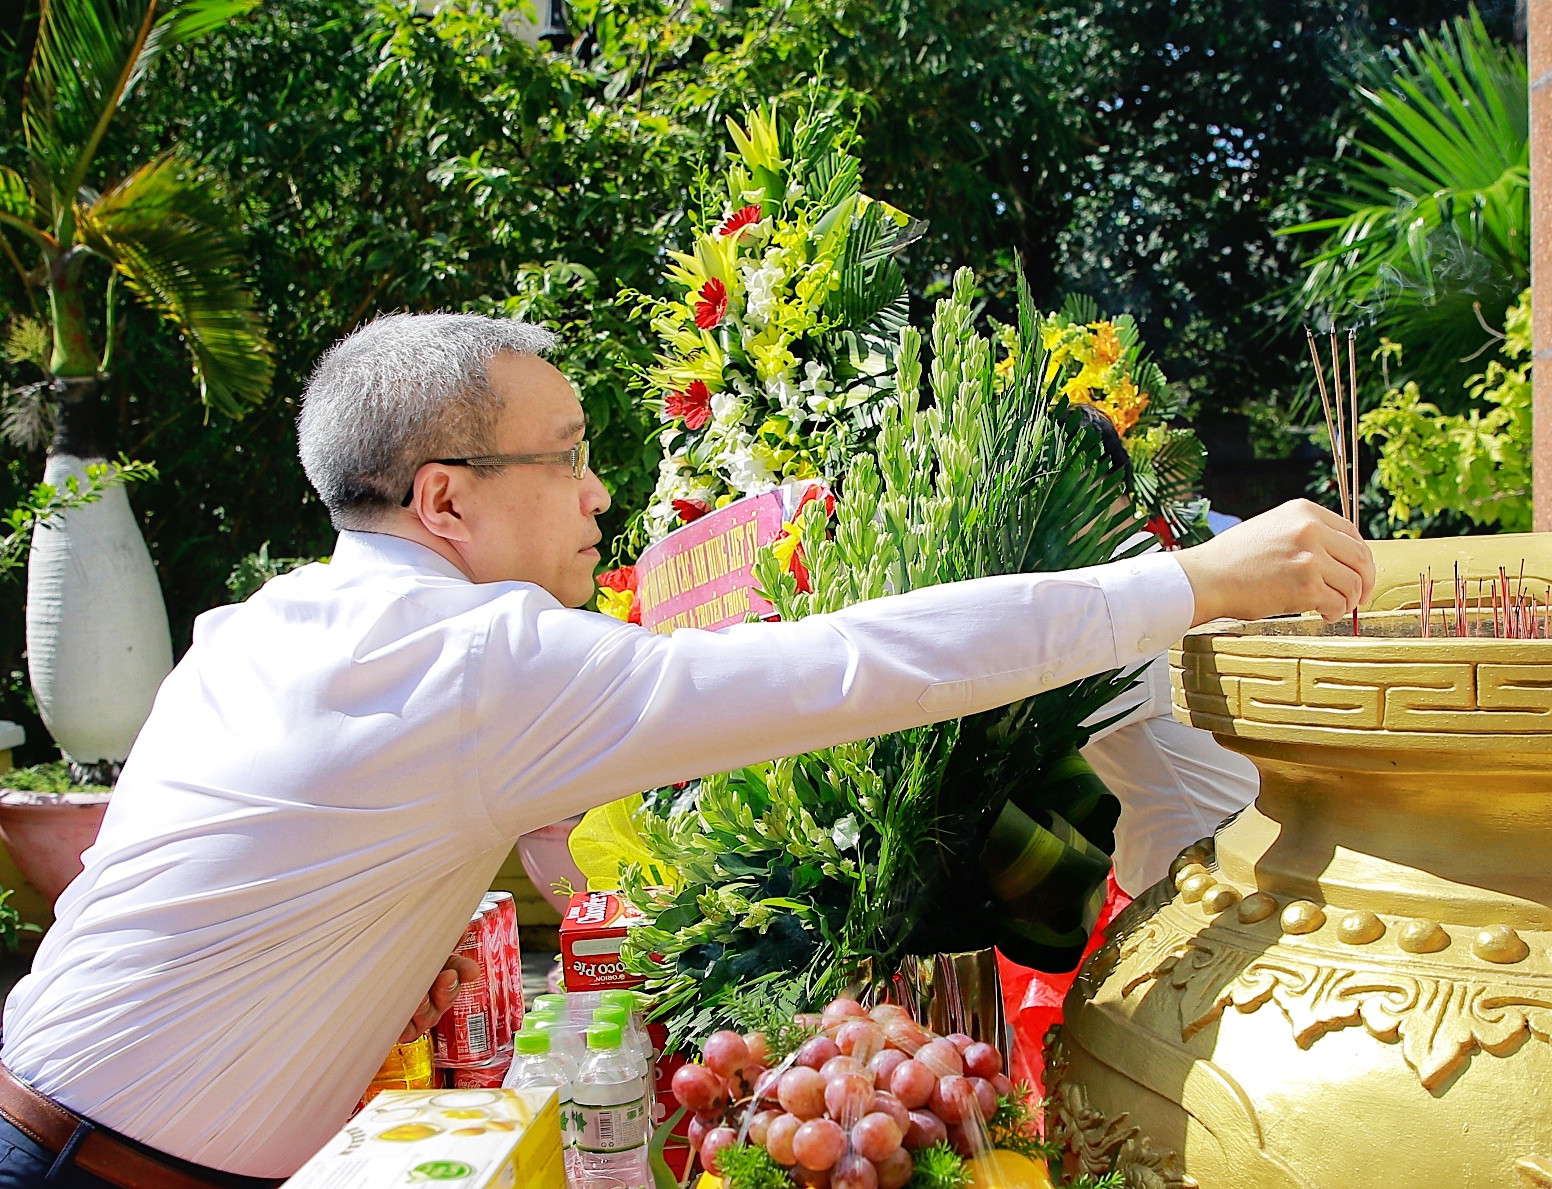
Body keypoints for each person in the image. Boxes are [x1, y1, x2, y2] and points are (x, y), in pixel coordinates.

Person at [0, 313, 1374, 1186]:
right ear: (445, 500)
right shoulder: (476, 664)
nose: (600, 494)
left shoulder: (260, 626)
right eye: (565, 456)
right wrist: (1195, 582)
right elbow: (859, 666)